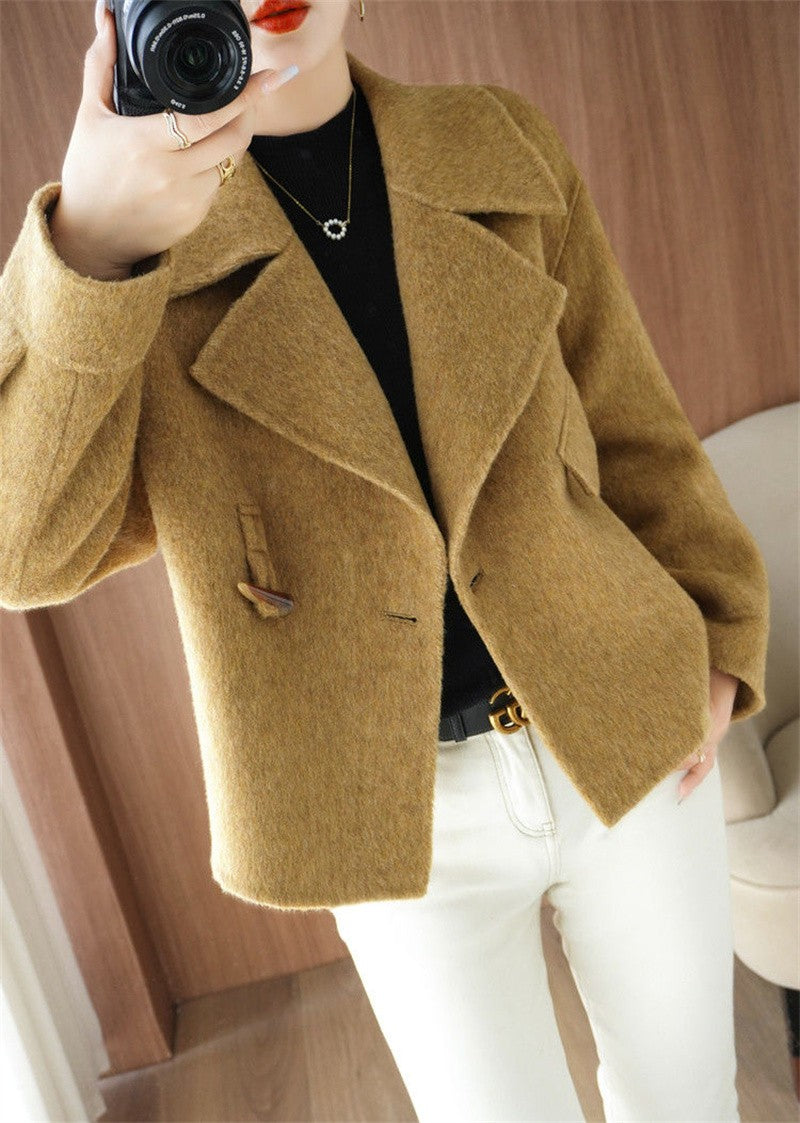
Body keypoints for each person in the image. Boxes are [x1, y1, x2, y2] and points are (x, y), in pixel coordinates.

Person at [0, 1, 769, 1120]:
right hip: (387, 804)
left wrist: (720, 636)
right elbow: (22, 551)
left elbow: (632, 424)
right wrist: (93, 252)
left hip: (624, 716)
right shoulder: (131, 250)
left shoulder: (495, 139)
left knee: (691, 1098)